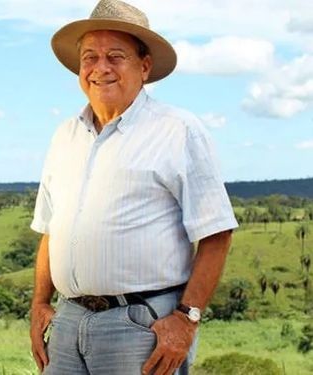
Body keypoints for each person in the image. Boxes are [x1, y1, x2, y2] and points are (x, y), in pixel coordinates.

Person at [29, 0, 238, 374]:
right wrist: (39, 304)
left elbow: (217, 233)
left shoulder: (178, 130)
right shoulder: (65, 136)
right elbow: (49, 228)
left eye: (115, 56)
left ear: (144, 67)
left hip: (141, 325)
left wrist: (186, 318)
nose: (100, 68)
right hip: (67, 322)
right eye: (90, 57)